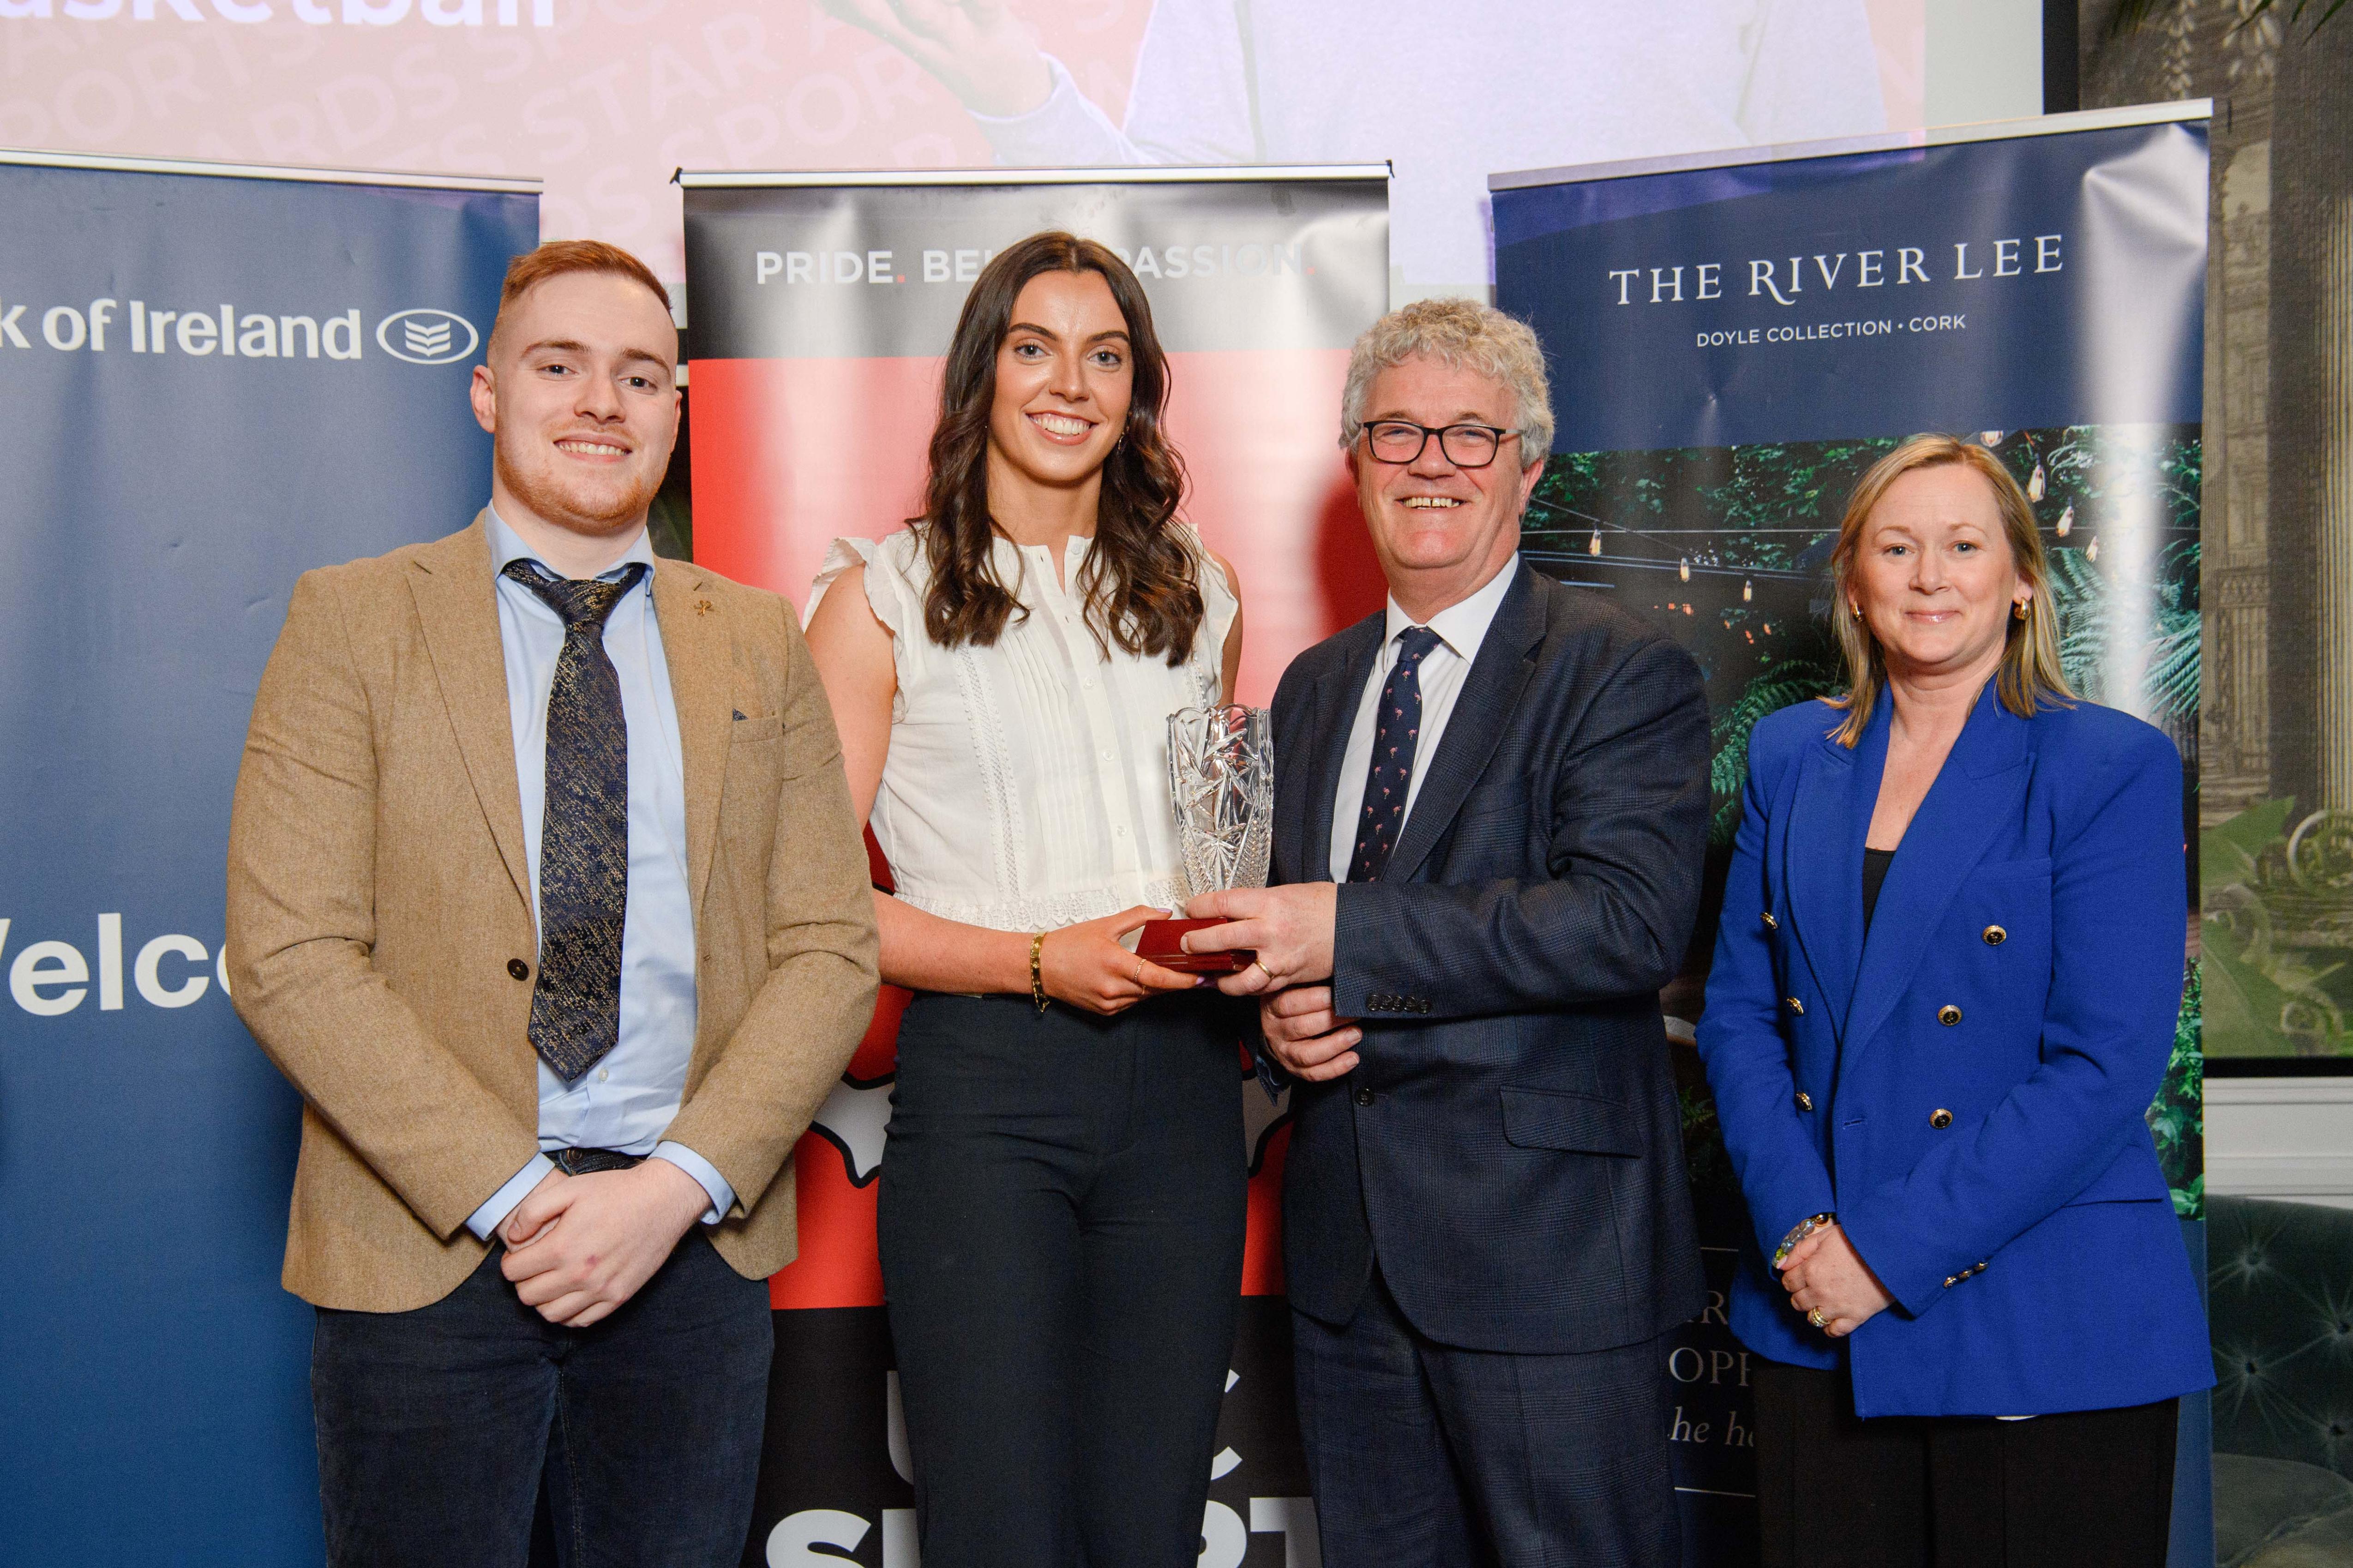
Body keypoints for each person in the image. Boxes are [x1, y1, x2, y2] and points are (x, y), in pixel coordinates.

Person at [224, 240, 880, 1568]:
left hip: (686, 1253)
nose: (599, 402)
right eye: (558, 365)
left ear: (675, 410)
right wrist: (519, 1193)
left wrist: (674, 1186)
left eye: (638, 376)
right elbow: (291, 950)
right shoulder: (351, 618)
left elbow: (830, 944)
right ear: (487, 392)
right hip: (425, 1252)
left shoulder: (760, 637)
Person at [1183, 298, 1711, 1566]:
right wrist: (1275, 1025)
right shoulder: (1313, 687)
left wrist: (1347, 937)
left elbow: (1627, 921)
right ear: (1354, 460)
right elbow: (1286, 937)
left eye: (1471, 433)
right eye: (1398, 431)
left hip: (1547, 1255)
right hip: (1348, 1264)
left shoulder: (1618, 667)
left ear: (1527, 466)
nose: (1432, 461)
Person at [801, 231, 1249, 1568]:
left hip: (1183, 1089)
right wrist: (1035, 960)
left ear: (1138, 387)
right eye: (1034, 348)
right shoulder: (875, 598)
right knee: (998, 1525)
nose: (1070, 384)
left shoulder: (1202, 589)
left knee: (1150, 1526)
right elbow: (810, 905)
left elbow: (1216, 860)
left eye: (1105, 355)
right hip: (988, 1092)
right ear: (980, 374)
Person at [1694, 435, 2215, 1567]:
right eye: (1895, 548)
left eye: (1963, 546)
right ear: (1852, 584)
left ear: (2021, 579)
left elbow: (2103, 1067)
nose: (1928, 576)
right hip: (1814, 1313)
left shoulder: (2105, 765)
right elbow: (1737, 1017)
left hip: (2042, 1316)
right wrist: (1804, 1235)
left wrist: (1879, 1253)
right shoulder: (1788, 755)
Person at [820, 0, 1886, 291]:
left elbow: (1835, 225)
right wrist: (1015, 93)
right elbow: (1176, 243)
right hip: (1366, 477)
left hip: (1657, 463)